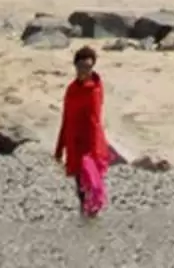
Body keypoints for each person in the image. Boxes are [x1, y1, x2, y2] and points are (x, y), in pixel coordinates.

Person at [54, 46, 112, 221]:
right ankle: (85, 219)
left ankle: (92, 222)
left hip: (92, 144)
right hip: (74, 142)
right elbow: (66, 118)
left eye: (88, 67)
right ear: (75, 66)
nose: (84, 71)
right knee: (80, 187)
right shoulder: (71, 90)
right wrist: (59, 148)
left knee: (93, 184)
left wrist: (94, 149)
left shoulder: (95, 89)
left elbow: (94, 121)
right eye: (81, 66)